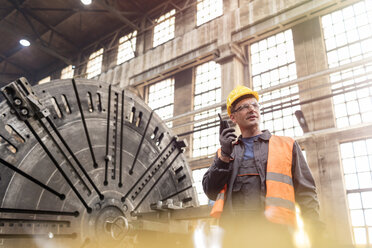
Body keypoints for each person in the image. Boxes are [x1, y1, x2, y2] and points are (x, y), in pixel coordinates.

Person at [202, 85, 323, 247]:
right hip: (235, 236)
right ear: (233, 118)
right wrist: (224, 155)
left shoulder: (286, 145)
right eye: (244, 107)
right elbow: (210, 191)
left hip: (277, 235)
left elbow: (306, 192)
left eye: (254, 105)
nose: (251, 109)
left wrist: (315, 230)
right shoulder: (225, 152)